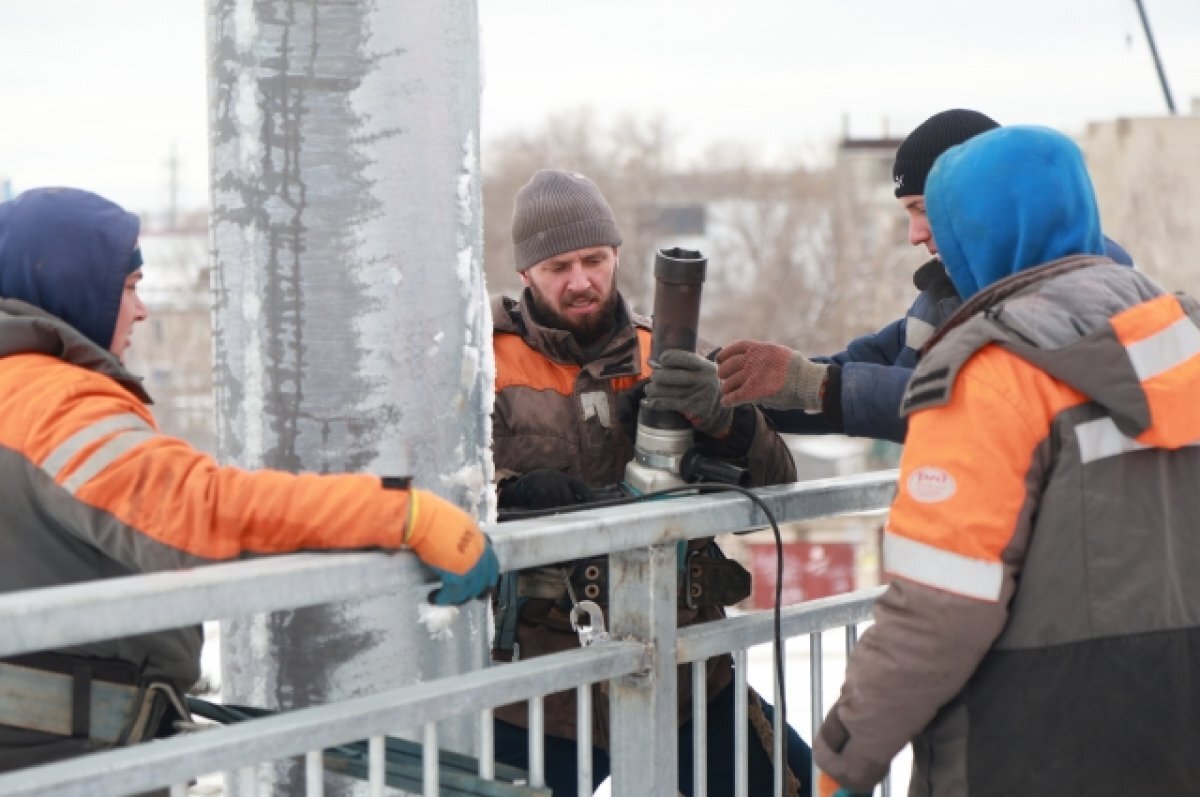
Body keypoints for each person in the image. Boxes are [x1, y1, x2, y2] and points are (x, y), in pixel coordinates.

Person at [0, 187, 499, 772]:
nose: (142, 310)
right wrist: (404, 513)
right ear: (69, 284)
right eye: (130, 287)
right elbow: (195, 512)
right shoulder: (46, 403)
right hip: (56, 758)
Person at [813, 126, 1200, 797]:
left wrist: (844, 755)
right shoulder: (1180, 339)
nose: (922, 240)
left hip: (1028, 748)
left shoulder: (989, 374)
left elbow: (938, 608)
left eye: (942, 219)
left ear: (981, 232)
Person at [489, 169, 811, 796]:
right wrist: (511, 492)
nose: (581, 281)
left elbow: (778, 482)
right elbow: (442, 487)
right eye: (558, 267)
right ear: (526, 273)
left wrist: (722, 420)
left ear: (616, 256)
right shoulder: (485, 364)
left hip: (683, 667)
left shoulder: (669, 351)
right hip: (540, 686)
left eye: (593, 259)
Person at [716, 109, 1133, 444]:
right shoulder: (951, 298)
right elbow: (861, 368)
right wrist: (731, 392)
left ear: (982, 203)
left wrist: (818, 385)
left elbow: (970, 406)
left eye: (924, 208)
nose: (915, 235)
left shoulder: (1079, 303)